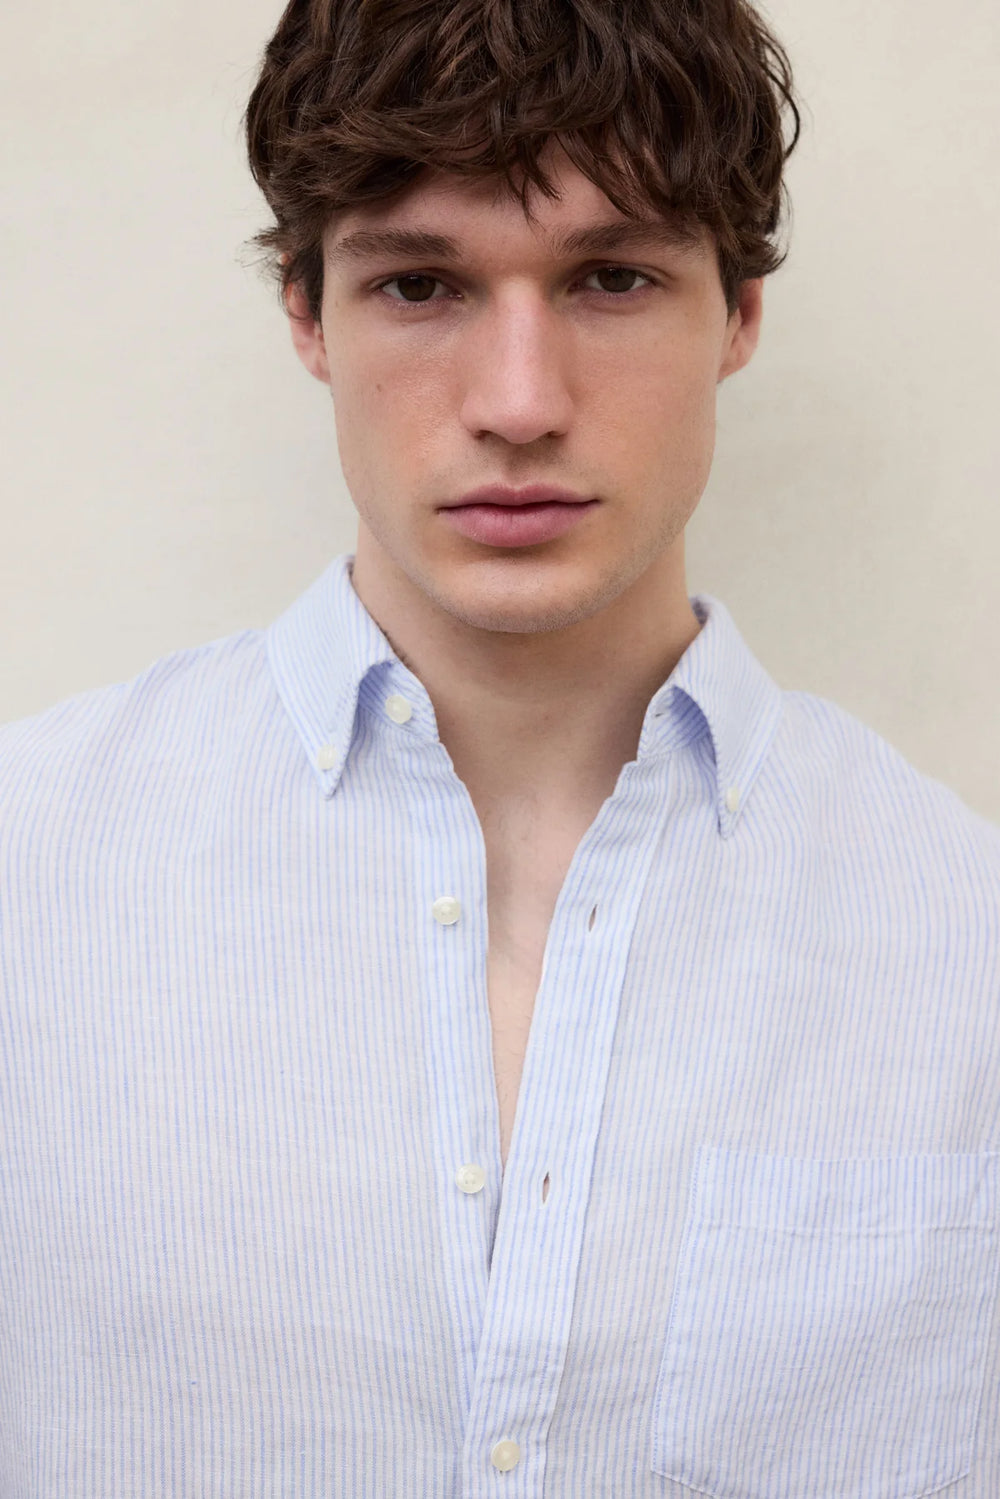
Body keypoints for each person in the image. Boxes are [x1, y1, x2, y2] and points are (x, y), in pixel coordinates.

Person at [2, 0, 998, 1493]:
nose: (519, 404)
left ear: (738, 312)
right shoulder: (27, 876)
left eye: (612, 277)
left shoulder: (967, 946)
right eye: (420, 284)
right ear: (306, 315)